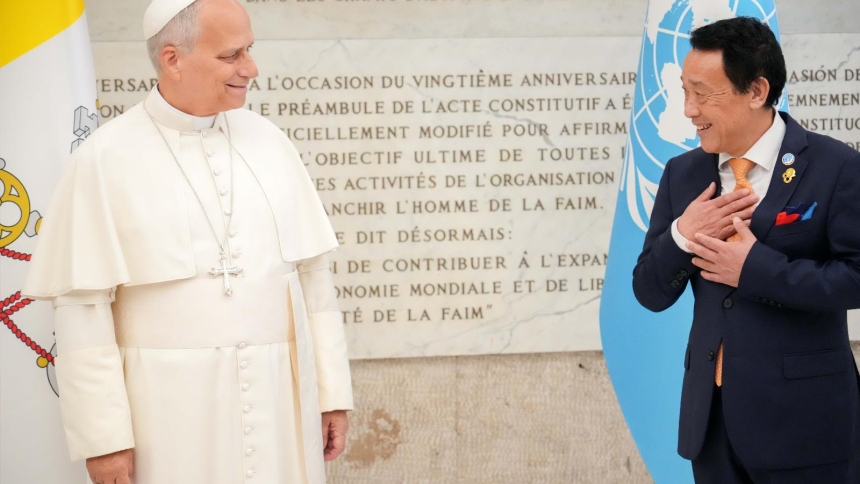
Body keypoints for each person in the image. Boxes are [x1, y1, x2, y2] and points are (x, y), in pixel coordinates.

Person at [23, 0, 353, 483]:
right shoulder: (105, 158)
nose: (251, 68)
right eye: (231, 55)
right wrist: (105, 440)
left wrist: (331, 396)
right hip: (168, 417)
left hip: (279, 403)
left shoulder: (271, 143)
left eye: (250, 51)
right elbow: (82, 309)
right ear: (173, 59)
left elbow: (314, 282)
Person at [633, 16, 860, 484]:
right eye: (684, 91)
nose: (688, 110)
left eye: (702, 93)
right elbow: (649, 292)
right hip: (711, 426)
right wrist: (681, 235)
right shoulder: (682, 174)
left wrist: (756, 268)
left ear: (756, 90)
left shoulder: (835, 166)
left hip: (806, 426)